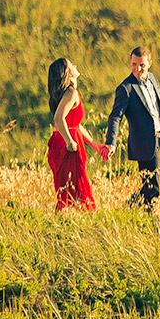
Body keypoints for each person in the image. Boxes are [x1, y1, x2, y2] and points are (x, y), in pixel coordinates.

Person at [104, 44, 160, 211]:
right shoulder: (126, 88)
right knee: (153, 186)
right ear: (130, 63)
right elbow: (116, 116)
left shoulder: (152, 79)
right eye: (134, 64)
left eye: (142, 65)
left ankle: (127, 210)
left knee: (148, 185)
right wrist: (111, 143)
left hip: (157, 139)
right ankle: (149, 218)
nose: (137, 69)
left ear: (149, 63)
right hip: (143, 143)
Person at [46, 56, 110, 211]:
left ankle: (68, 221)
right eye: (71, 64)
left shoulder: (67, 94)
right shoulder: (71, 92)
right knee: (76, 187)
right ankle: (79, 219)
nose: (75, 65)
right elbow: (59, 119)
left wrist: (94, 144)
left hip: (61, 141)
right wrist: (69, 141)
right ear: (67, 73)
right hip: (67, 144)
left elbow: (75, 124)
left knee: (68, 189)